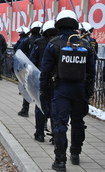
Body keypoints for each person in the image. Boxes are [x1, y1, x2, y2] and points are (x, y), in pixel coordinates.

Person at [39, 10, 95, 171]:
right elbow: (92, 71)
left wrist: (43, 91)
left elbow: (45, 72)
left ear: (58, 23)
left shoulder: (54, 43)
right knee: (78, 122)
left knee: (59, 124)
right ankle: (75, 154)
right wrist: (88, 92)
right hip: (80, 90)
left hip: (61, 90)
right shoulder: (84, 44)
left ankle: (60, 161)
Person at [29, 20, 58, 143]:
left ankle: (40, 133)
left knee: (40, 107)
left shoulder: (38, 43)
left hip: (42, 79)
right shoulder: (60, 43)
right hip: (57, 81)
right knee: (56, 109)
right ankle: (56, 136)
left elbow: (32, 61)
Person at [17, 21, 42, 117]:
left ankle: (25, 109)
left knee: (27, 89)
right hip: (41, 70)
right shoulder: (45, 41)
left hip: (29, 69)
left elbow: (18, 51)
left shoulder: (27, 41)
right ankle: (42, 116)